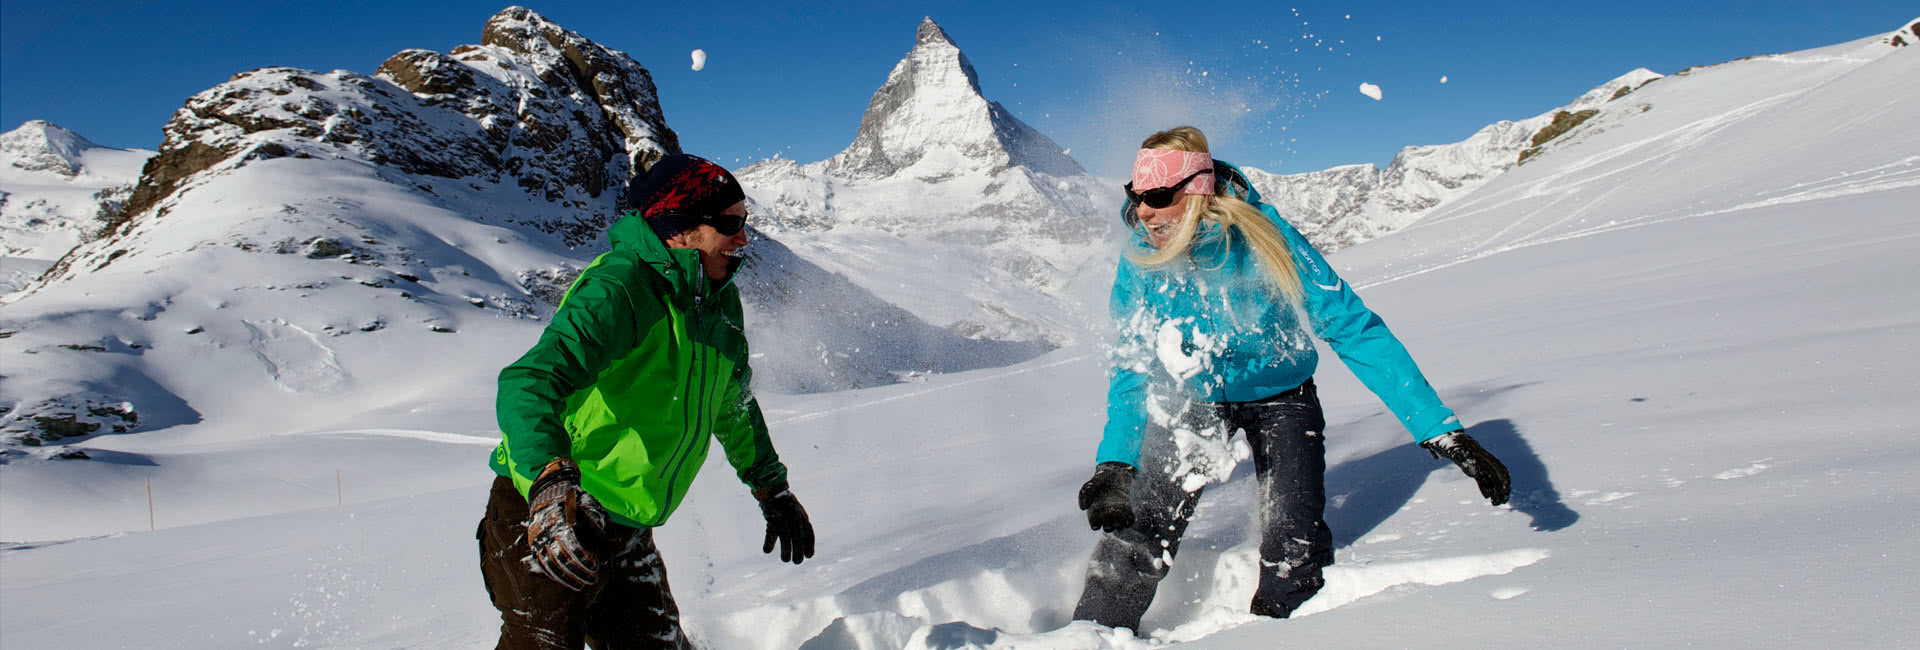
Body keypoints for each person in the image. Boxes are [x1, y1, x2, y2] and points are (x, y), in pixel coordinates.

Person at [1072, 127, 1510, 630]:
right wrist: (1117, 461)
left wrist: (1438, 427)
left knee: (1290, 545)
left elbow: (1351, 326)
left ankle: (1277, 633)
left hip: (1281, 398)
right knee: (1134, 529)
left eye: (1157, 197)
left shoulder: (1264, 237)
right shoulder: (1141, 257)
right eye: (1135, 196)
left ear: (1195, 194)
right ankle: (1093, 635)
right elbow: (1133, 361)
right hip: (1187, 400)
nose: (1142, 212)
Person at [478, 153, 816, 650]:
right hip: (550, 511)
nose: (743, 239)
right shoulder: (622, 288)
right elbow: (528, 382)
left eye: (745, 222)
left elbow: (732, 405)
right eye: (728, 224)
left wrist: (771, 488)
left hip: (626, 526)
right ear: (678, 227)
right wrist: (548, 483)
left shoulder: (718, 302)